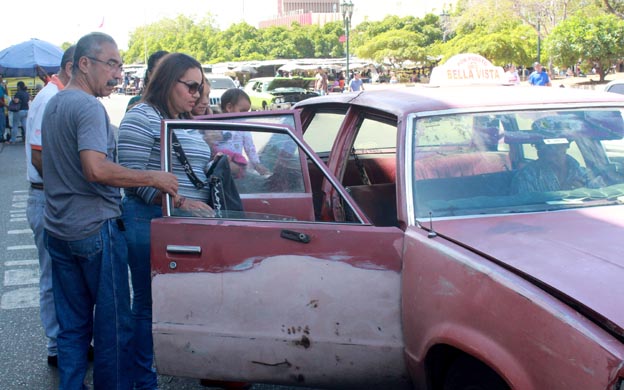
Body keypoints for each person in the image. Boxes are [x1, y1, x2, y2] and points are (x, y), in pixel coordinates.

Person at [41, 32, 178, 390]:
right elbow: (96, 169)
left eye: (119, 65)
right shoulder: (87, 107)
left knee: (72, 328)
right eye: (112, 64)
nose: (118, 74)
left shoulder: (55, 102)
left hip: (59, 230)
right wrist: (154, 177)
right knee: (113, 327)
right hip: (93, 230)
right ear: (84, 64)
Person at [118, 52, 214, 390]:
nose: (196, 94)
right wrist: (183, 203)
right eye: (190, 86)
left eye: (200, 87)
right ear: (167, 80)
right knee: (148, 306)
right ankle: (143, 382)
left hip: (187, 225)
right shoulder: (140, 117)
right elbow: (131, 178)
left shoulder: (183, 120)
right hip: (152, 224)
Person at [25, 45, 76, 369]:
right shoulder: (50, 97)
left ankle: (66, 342)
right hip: (47, 196)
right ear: (74, 67)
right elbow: (39, 154)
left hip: (51, 195)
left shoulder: (56, 95)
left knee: (64, 275)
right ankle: (57, 345)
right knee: (53, 275)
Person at [213, 88, 269, 176]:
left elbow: (250, 148)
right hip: (217, 168)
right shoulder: (214, 125)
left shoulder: (243, 128)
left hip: (237, 169)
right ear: (229, 107)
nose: (245, 115)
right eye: (242, 111)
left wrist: (257, 165)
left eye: (247, 112)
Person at [510, 140, 592, 193]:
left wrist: (584, 191)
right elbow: (527, 211)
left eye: (555, 145)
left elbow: (600, 197)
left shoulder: (585, 174)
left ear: (566, 145)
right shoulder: (526, 176)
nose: (547, 150)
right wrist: (563, 193)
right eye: (540, 145)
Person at [0, 75, 6, 141]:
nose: (1, 79)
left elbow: (6, 94)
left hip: (2, 107)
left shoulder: (1, 86)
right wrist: (6, 106)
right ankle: (1, 136)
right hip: (1, 107)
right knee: (2, 123)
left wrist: (5, 86)